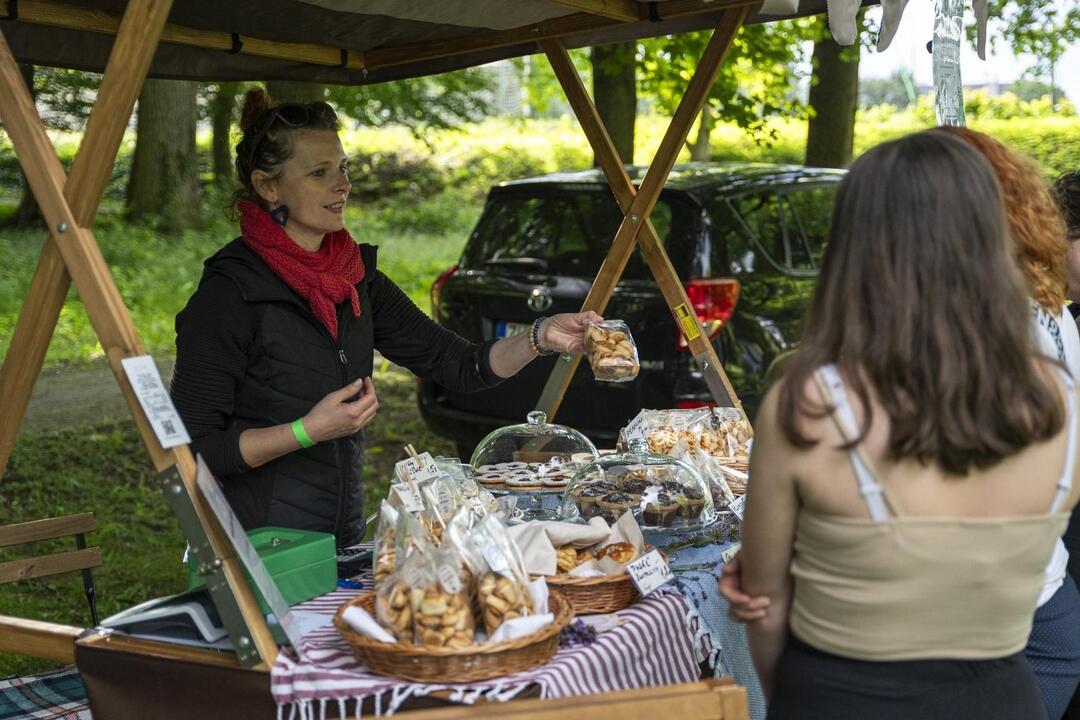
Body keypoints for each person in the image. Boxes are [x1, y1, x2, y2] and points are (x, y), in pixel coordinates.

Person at [725, 130, 1080, 719]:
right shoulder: (1059, 398)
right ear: (995, 238)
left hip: (836, 699)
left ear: (855, 245)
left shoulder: (808, 403)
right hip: (1001, 698)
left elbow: (763, 606)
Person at [171, 91, 599, 546]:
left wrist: (540, 336)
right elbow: (193, 450)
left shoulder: (356, 277)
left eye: (343, 168)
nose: (343, 185)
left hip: (341, 540)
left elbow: (458, 364)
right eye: (320, 173)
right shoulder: (229, 294)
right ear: (268, 186)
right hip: (258, 550)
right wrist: (305, 431)